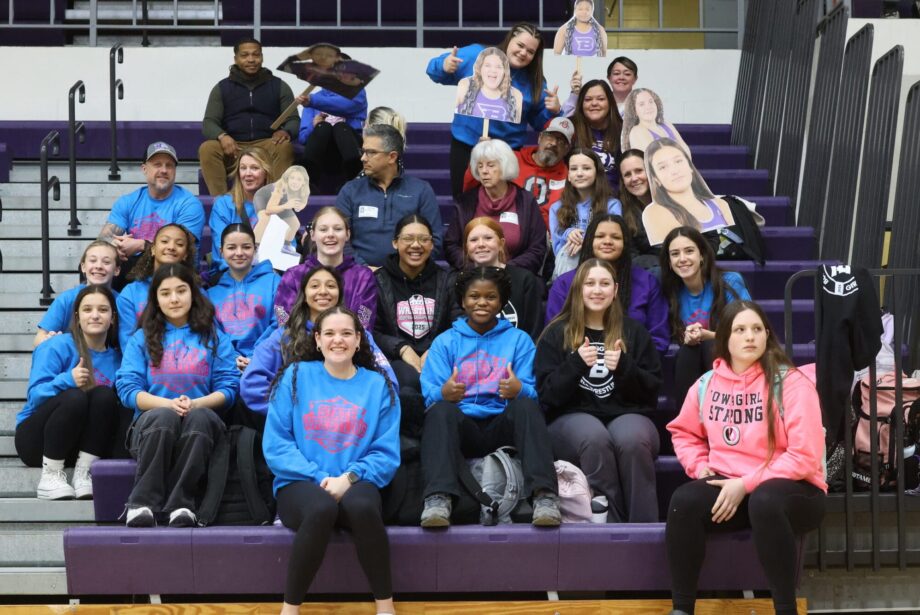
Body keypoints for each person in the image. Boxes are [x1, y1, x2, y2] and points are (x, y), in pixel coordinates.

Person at [666, 300, 826, 615]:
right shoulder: (706, 385)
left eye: (757, 329)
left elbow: (805, 456)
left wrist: (746, 483)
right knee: (683, 502)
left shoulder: (792, 383)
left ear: (767, 335)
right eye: (740, 330)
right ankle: (682, 609)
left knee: (765, 499)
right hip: (733, 488)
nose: (750, 336)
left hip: (797, 491)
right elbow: (683, 432)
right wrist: (700, 468)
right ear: (724, 338)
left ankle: (785, 609)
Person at [265, 306, 400, 615]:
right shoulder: (295, 376)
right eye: (329, 333)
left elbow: (385, 452)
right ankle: (290, 609)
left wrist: (349, 478)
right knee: (321, 507)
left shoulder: (378, 386)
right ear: (317, 340)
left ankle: (385, 606)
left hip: (356, 482)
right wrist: (318, 477)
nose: (337, 340)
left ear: (358, 340)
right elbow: (277, 444)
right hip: (299, 485)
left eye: (345, 333)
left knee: (364, 506)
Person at [418, 267, 561, 527]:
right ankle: (438, 499)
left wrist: (520, 390)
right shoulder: (444, 342)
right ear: (462, 301)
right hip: (463, 427)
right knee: (439, 411)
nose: (481, 302)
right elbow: (428, 396)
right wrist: (443, 393)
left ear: (502, 302)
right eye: (474, 296)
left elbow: (536, 394)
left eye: (490, 297)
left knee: (526, 407)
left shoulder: (519, 340)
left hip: (502, 425)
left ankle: (544, 497)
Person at [536, 259, 662, 522]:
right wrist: (576, 364)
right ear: (578, 289)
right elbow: (547, 396)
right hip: (569, 418)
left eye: (604, 284)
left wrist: (625, 367)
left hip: (627, 414)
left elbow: (651, 395)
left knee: (633, 439)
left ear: (615, 290)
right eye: (589, 283)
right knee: (594, 437)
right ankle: (610, 526)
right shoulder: (557, 333)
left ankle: (644, 528)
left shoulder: (634, 332)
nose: (597, 290)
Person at [116, 263, 238, 528]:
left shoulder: (214, 337)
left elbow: (229, 388)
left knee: (201, 417)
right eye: (165, 293)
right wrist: (169, 404)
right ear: (156, 300)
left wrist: (195, 403)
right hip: (151, 428)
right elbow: (128, 390)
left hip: (201, 427)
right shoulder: (141, 338)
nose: (174, 298)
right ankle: (141, 504)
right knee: (164, 417)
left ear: (193, 293)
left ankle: (182, 505)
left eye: (181, 291)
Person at [241, 266, 395, 428]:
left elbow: (389, 381)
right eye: (314, 286)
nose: (323, 291)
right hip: (299, 428)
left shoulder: (358, 335)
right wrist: (292, 414)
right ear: (304, 295)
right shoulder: (284, 336)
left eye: (331, 286)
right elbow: (252, 383)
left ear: (340, 295)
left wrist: (357, 414)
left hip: (352, 426)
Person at [426, 22, 562, 198]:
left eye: (530, 52)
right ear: (510, 39)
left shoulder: (534, 82)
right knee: (464, 203)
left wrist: (554, 110)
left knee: (502, 206)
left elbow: (541, 123)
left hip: (507, 152)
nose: (523, 53)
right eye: (520, 45)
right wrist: (444, 66)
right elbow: (433, 71)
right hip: (467, 146)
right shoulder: (477, 55)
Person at [17, 285, 122, 500]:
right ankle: (51, 476)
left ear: (112, 318)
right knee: (75, 397)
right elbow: (36, 396)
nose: (95, 315)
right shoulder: (56, 345)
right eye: (87, 310)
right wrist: (68, 380)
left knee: (104, 396)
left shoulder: (118, 358)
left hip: (81, 446)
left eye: (103, 310)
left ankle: (85, 473)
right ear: (77, 316)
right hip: (38, 442)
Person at [374, 214, 460, 438]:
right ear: (395, 243)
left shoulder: (447, 279)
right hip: (395, 358)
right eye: (408, 239)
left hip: (440, 355)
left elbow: (458, 323)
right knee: (407, 379)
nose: (416, 245)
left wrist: (435, 349)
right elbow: (372, 330)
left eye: (423, 239)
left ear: (432, 244)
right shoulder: (378, 280)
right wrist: (402, 348)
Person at [547, 214, 670, 354]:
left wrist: (627, 365)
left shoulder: (646, 282)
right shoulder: (564, 284)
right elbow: (553, 337)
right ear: (588, 241)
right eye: (600, 236)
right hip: (576, 368)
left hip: (632, 369)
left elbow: (658, 339)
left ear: (625, 244)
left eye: (616, 237)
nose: (607, 241)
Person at [659, 226, 751, 407]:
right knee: (689, 350)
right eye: (675, 254)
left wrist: (708, 336)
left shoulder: (729, 281)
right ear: (669, 262)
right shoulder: (670, 291)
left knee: (709, 345)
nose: (682, 259)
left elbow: (748, 330)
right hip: (691, 363)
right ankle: (689, 426)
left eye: (689, 251)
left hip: (733, 359)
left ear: (702, 255)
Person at [198, 38, 298, 196]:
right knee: (208, 148)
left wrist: (286, 132)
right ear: (236, 59)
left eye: (256, 55)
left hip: (267, 144)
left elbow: (293, 119)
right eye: (245, 55)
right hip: (234, 147)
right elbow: (209, 122)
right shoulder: (221, 88)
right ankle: (221, 203)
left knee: (284, 147)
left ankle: (274, 201)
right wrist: (223, 137)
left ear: (262, 57)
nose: (251, 59)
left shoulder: (279, 86)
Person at [98, 142, 204, 290]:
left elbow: (181, 248)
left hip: (176, 267)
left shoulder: (189, 204)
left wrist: (141, 245)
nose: (164, 170)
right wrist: (114, 246)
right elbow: (103, 240)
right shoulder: (128, 202)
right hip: (133, 267)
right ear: (144, 169)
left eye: (169, 165)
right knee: (98, 262)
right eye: (157, 164)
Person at [336, 124, 443, 267]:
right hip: (359, 277)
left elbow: (434, 241)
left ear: (392, 157)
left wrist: (399, 272)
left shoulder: (421, 190)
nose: (363, 158)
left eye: (370, 152)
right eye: (363, 151)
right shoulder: (350, 190)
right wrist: (365, 270)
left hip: (408, 277)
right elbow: (339, 239)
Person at [445, 139, 547, 275]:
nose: (484, 171)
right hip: (472, 276)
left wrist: (504, 269)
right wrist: (475, 268)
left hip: (516, 277)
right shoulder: (465, 202)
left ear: (505, 166)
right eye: (480, 166)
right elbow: (451, 245)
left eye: (491, 165)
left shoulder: (526, 201)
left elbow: (537, 249)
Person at [274, 206, 378, 330]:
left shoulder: (363, 276)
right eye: (323, 230)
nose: (330, 234)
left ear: (347, 234)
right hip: (300, 346)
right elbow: (284, 321)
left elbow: (364, 323)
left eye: (338, 229)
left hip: (348, 346)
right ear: (312, 234)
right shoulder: (293, 275)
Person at [462, 116, 574, 225]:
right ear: (540, 137)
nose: (554, 143)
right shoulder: (511, 159)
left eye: (561, 141)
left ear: (566, 150)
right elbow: (470, 187)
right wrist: (479, 156)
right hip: (502, 228)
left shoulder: (570, 177)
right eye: (550, 136)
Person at [206, 224, 280, 365]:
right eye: (231, 247)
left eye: (246, 247)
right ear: (221, 251)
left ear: (255, 249)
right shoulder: (211, 294)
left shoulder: (274, 282)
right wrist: (233, 358)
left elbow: (282, 323)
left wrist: (256, 357)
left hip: (267, 363)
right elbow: (212, 332)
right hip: (227, 366)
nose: (239, 253)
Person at [117, 223, 197, 349]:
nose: (171, 247)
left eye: (179, 244)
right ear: (153, 249)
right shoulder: (130, 293)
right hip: (144, 364)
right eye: (165, 241)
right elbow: (128, 344)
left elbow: (206, 336)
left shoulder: (195, 292)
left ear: (186, 254)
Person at [463, 217, 544, 340]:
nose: (481, 244)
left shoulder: (524, 280)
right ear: (466, 247)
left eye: (488, 238)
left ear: (501, 243)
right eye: (474, 240)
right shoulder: (459, 282)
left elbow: (534, 332)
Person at [642, 138, 734, 247]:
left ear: (690, 166)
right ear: (656, 179)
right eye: (663, 167)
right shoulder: (654, 212)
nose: (674, 171)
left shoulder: (721, 204)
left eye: (678, 161)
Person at [548, 148, 623, 278]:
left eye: (586, 168)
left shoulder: (612, 205)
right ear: (569, 176)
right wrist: (568, 234)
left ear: (597, 173)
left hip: (602, 259)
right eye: (574, 169)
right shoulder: (556, 208)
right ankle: (568, 292)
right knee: (569, 253)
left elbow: (614, 239)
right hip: (567, 262)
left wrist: (587, 242)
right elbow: (557, 250)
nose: (579, 173)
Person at [34, 241, 121, 347]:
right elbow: (39, 339)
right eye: (93, 261)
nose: (98, 266)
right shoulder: (66, 299)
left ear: (117, 270)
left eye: (106, 262)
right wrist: (49, 341)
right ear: (83, 267)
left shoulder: (123, 302)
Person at [297, 79, 367, 193]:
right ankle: (306, 182)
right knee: (322, 127)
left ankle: (356, 180)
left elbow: (344, 105)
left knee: (340, 127)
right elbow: (302, 138)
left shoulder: (357, 94)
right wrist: (313, 125)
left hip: (349, 150)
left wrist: (312, 101)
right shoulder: (311, 99)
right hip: (324, 154)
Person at [207, 146, 273, 266]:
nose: (247, 173)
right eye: (243, 168)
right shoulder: (224, 205)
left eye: (254, 168)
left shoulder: (278, 206)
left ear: (266, 172)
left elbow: (287, 249)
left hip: (268, 273)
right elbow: (221, 248)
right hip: (230, 272)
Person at [571, 80, 623, 188]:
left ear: (610, 102)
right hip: (578, 197)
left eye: (601, 99)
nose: (594, 103)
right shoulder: (571, 128)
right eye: (588, 99)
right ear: (581, 104)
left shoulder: (624, 130)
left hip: (614, 198)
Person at [455, 47, 524, 123]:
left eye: (499, 67)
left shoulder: (516, 95)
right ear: (480, 68)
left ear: (505, 72)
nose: (493, 70)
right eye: (487, 65)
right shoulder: (466, 86)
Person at [618, 149, 659, 272]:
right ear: (623, 181)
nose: (634, 178)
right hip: (651, 272)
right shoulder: (622, 212)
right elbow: (631, 256)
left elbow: (710, 238)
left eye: (639, 171)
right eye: (627, 174)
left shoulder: (675, 198)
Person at [252, 165, 310, 248]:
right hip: (264, 198)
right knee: (265, 218)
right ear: (287, 179)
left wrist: (298, 207)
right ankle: (255, 245)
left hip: (283, 203)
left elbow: (302, 203)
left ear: (304, 182)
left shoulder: (304, 190)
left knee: (295, 224)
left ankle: (285, 245)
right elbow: (269, 210)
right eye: (292, 178)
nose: (295, 182)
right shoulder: (280, 188)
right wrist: (286, 206)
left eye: (299, 179)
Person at [563, 56, 639, 118]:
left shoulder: (643, 104)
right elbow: (568, 117)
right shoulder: (598, 103)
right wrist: (575, 93)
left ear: (635, 79)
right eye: (616, 73)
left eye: (627, 74)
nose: (621, 77)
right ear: (609, 77)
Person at [621, 88, 690, 154]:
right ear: (634, 111)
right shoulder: (636, 131)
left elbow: (686, 151)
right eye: (641, 104)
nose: (648, 107)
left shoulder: (667, 125)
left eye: (651, 102)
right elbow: (652, 161)